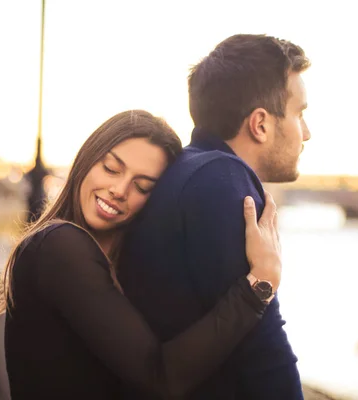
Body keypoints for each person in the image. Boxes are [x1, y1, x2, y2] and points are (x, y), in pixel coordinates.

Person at [0, 110, 284, 399]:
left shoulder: (107, 262)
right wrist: (257, 288)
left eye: (142, 187)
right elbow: (160, 377)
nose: (120, 190)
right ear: (88, 159)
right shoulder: (60, 247)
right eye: (112, 168)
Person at [118, 34, 311, 399]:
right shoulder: (223, 180)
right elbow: (264, 351)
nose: (307, 133)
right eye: (300, 113)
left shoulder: (191, 169)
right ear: (261, 124)